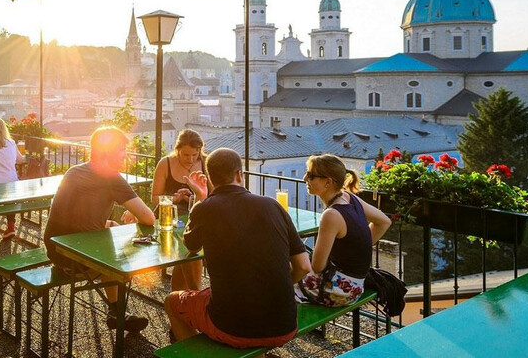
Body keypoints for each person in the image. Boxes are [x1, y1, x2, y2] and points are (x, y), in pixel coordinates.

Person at [165, 148, 311, 349]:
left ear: (210, 178)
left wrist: (200, 200)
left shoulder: (205, 207)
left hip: (231, 327)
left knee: (172, 301)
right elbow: (303, 266)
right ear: (240, 175)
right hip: (284, 325)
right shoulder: (272, 205)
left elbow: (190, 245)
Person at [43, 126, 156, 333]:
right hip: (77, 260)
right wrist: (134, 214)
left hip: (55, 251)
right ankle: (118, 311)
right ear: (107, 152)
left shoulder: (75, 171)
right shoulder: (111, 177)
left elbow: (75, 217)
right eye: (121, 149)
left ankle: (115, 310)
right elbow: (149, 218)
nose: (125, 155)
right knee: (119, 255)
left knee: (110, 230)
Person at [298, 154, 391, 307]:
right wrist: (358, 246)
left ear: (328, 182)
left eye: (310, 175)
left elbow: (317, 267)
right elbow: (384, 222)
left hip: (339, 291)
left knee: (286, 269)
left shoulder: (331, 215)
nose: (304, 178)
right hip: (356, 284)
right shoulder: (349, 197)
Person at [151, 129, 207, 292]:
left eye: (194, 155)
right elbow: (155, 198)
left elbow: (212, 195)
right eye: (186, 155)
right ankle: (194, 294)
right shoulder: (165, 163)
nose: (190, 159)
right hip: (170, 218)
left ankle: (181, 298)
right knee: (189, 248)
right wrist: (174, 198)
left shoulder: (205, 163)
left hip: (197, 216)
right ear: (177, 150)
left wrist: (196, 195)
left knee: (189, 247)